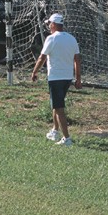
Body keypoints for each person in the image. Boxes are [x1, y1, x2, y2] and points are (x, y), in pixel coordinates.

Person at [30, 12, 82, 144]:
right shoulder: (71, 39)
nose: (49, 26)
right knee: (56, 104)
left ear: (53, 24)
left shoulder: (51, 39)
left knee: (59, 108)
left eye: (49, 24)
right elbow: (77, 60)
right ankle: (55, 130)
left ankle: (67, 138)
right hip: (67, 77)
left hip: (55, 77)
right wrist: (78, 78)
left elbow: (42, 57)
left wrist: (34, 72)